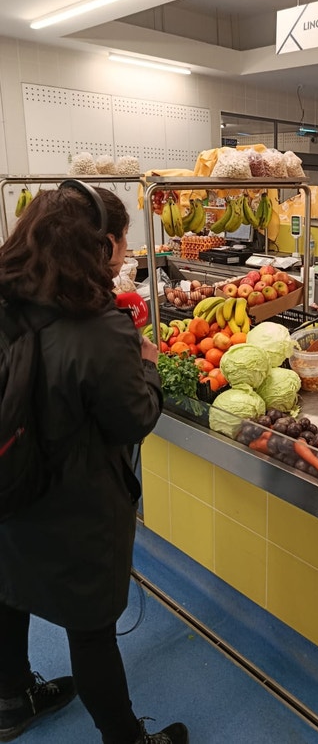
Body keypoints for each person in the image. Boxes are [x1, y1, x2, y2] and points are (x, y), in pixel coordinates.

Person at [0, 181, 188, 744]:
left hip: (9, 487)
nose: (126, 254)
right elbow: (133, 419)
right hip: (75, 504)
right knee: (91, 630)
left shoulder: (7, 298)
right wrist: (148, 365)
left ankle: (10, 701)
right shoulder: (99, 327)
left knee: (8, 592)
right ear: (101, 246)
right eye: (124, 242)